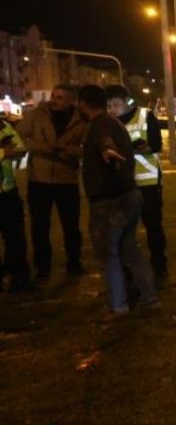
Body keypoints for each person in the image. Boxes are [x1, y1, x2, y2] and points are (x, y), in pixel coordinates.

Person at [76, 85, 158, 316]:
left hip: (109, 201)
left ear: (83, 103)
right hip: (130, 195)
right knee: (129, 249)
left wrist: (107, 151)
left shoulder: (99, 125)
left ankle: (118, 305)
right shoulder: (116, 123)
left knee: (109, 254)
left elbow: (105, 142)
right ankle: (149, 298)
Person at [17, 84, 86, 279]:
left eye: (61, 98)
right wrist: (41, 148)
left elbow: (86, 148)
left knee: (71, 226)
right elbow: (19, 137)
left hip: (66, 180)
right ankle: (42, 267)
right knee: (40, 226)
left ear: (71, 100)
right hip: (39, 179)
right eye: (54, 96)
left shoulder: (80, 120)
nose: (55, 101)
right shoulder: (38, 114)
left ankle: (74, 264)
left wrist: (68, 151)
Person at [106, 85, 168, 284]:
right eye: (108, 105)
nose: (112, 109)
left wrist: (133, 150)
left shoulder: (144, 115)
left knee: (154, 229)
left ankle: (160, 268)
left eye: (116, 104)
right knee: (124, 233)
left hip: (148, 184)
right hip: (122, 186)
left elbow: (156, 145)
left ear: (127, 102)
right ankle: (128, 274)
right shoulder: (107, 123)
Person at [0, 113, 33, 293]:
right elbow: (11, 150)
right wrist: (4, 151)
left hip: (8, 192)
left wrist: (9, 151)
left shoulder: (3, 125)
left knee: (16, 239)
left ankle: (19, 279)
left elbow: (21, 149)